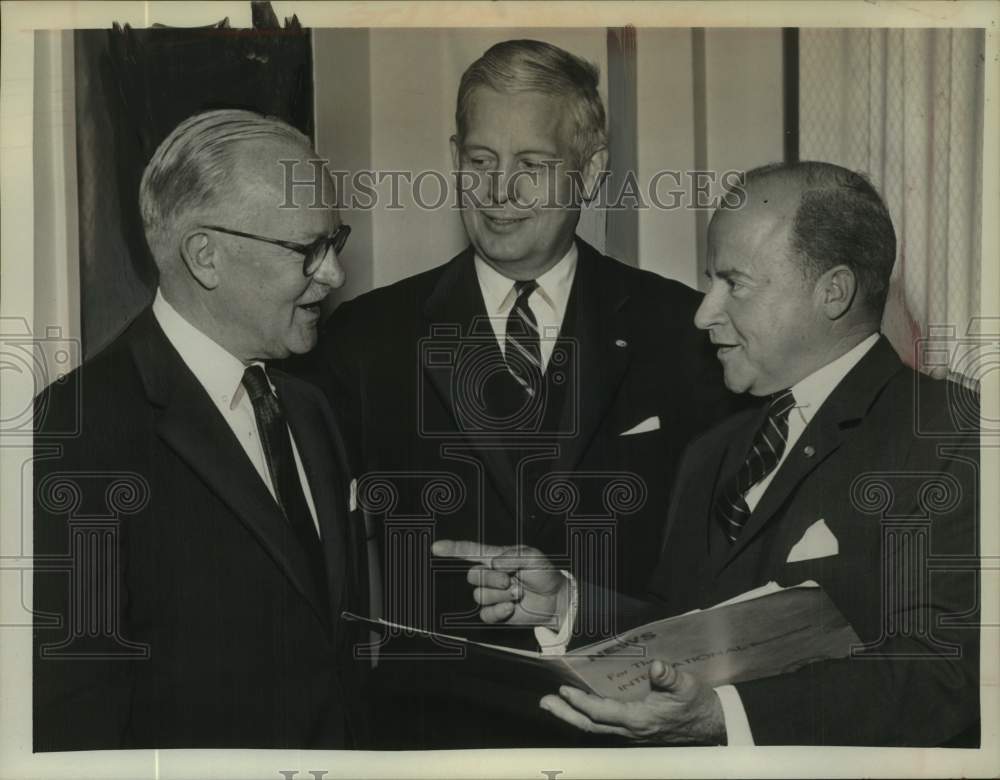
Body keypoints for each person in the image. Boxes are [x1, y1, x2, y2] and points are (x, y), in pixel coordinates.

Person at [435, 161, 980, 746]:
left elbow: (946, 678)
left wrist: (726, 718)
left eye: (733, 284)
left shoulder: (948, 436)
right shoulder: (715, 449)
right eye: (707, 281)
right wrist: (567, 606)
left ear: (834, 292)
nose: (703, 313)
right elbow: (687, 634)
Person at [295, 39, 740, 748]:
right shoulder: (365, 340)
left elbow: (718, 578)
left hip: (628, 740)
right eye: (480, 162)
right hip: (432, 741)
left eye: (531, 166)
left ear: (591, 172)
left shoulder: (683, 335)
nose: (500, 192)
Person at [33, 109, 370, 750]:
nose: (335, 274)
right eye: (308, 250)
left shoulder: (310, 406)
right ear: (205, 256)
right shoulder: (76, 433)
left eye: (336, 241)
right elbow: (73, 724)